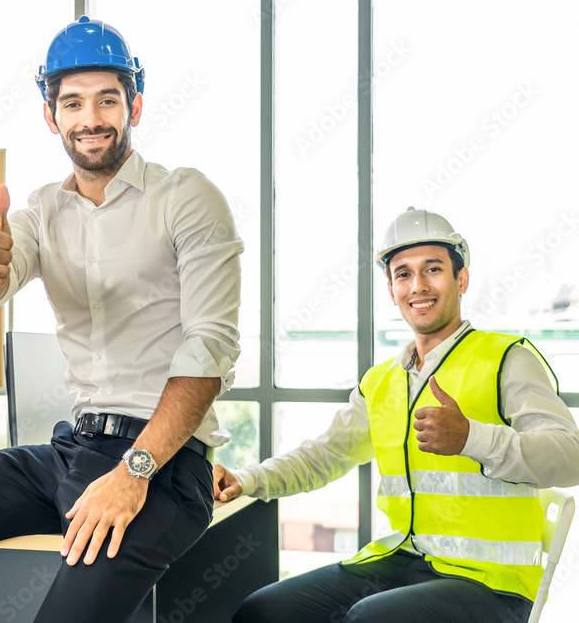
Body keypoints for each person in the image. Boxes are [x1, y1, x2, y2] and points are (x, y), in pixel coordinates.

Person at [0, 16, 244, 622]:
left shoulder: (186, 197)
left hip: (163, 467)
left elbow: (210, 348)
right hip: (72, 451)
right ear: (51, 115)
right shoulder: (40, 211)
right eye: (73, 102)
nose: (91, 117)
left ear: (134, 104)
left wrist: (133, 472)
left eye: (107, 99)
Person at [213, 207, 579, 623]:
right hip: (405, 560)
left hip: (493, 585)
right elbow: (324, 456)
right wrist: (247, 480)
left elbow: (571, 457)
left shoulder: (507, 358)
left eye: (433, 269)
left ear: (461, 279)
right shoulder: (382, 381)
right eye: (403, 274)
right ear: (391, 289)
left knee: (371, 619)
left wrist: (471, 438)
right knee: (264, 612)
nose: (418, 285)